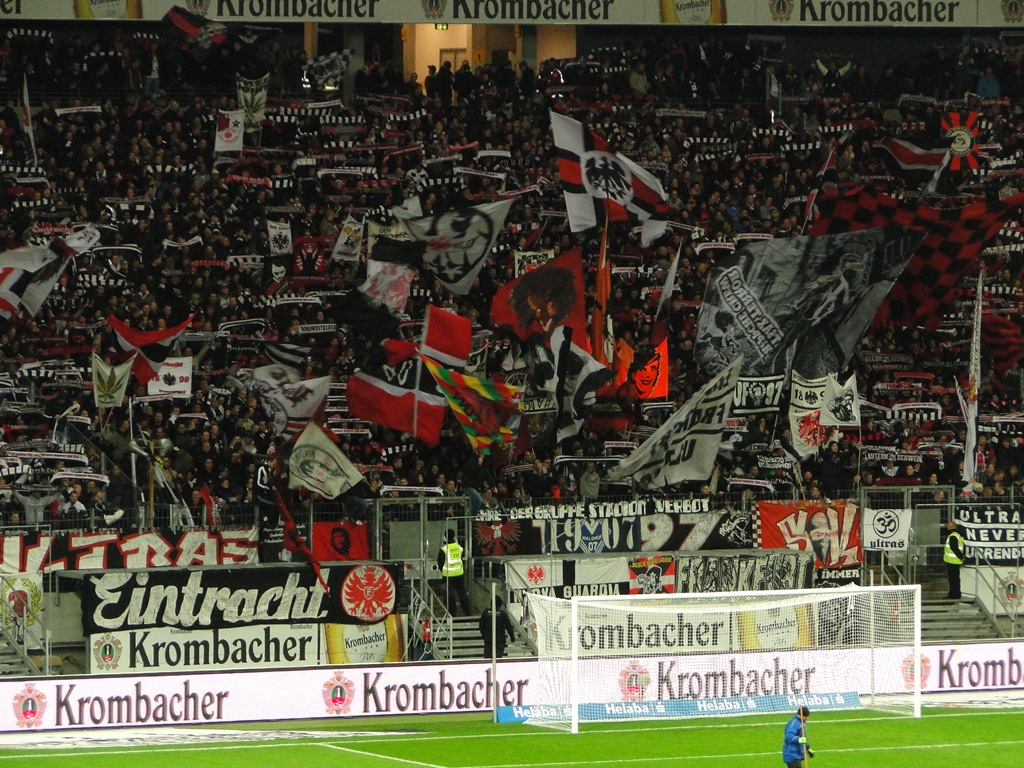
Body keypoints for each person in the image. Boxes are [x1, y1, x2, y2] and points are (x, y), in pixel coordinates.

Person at [438, 528, 472, 616]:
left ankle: (453, 613)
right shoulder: (459, 547)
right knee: (462, 592)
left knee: (451, 595)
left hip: (448, 575)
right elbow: (461, 558)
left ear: (445, 537)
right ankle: (467, 611)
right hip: (459, 573)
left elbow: (440, 562)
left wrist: (443, 571)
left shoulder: (444, 549)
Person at [944, 518, 966, 600]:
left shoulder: (953, 536)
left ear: (953, 527)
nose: (948, 528)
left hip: (951, 561)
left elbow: (954, 547)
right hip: (957, 561)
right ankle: (957, 594)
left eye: (949, 527)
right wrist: (962, 556)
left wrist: (961, 556)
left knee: (952, 579)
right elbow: (963, 546)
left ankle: (952, 595)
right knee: (956, 579)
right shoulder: (959, 535)